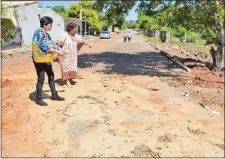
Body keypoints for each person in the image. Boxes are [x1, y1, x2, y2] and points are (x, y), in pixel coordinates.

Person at [32, 16, 67, 106]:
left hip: (46, 58)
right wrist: (58, 52)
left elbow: (51, 45)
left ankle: (54, 95)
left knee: (51, 75)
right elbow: (46, 48)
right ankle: (38, 98)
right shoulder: (39, 32)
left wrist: (58, 50)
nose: (51, 27)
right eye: (50, 25)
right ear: (45, 25)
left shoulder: (46, 34)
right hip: (39, 59)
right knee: (41, 78)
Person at [55, 22, 92, 87]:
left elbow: (81, 40)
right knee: (65, 67)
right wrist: (57, 53)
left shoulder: (75, 36)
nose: (75, 30)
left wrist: (87, 44)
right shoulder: (64, 35)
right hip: (65, 55)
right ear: (71, 29)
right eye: (75, 29)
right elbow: (58, 44)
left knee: (72, 67)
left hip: (73, 56)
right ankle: (65, 82)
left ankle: (70, 79)